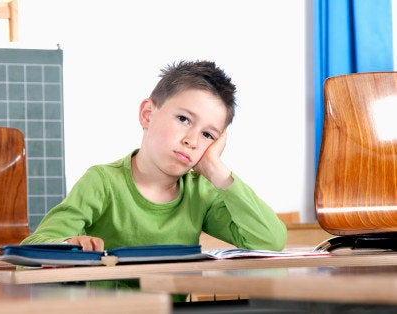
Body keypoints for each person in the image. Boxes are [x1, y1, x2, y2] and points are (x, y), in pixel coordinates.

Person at [20, 60, 287, 252]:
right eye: (184, 119)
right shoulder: (102, 182)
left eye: (208, 135)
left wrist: (216, 169)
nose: (192, 141)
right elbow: (32, 248)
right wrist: (66, 245)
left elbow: (269, 241)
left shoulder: (200, 194)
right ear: (148, 114)